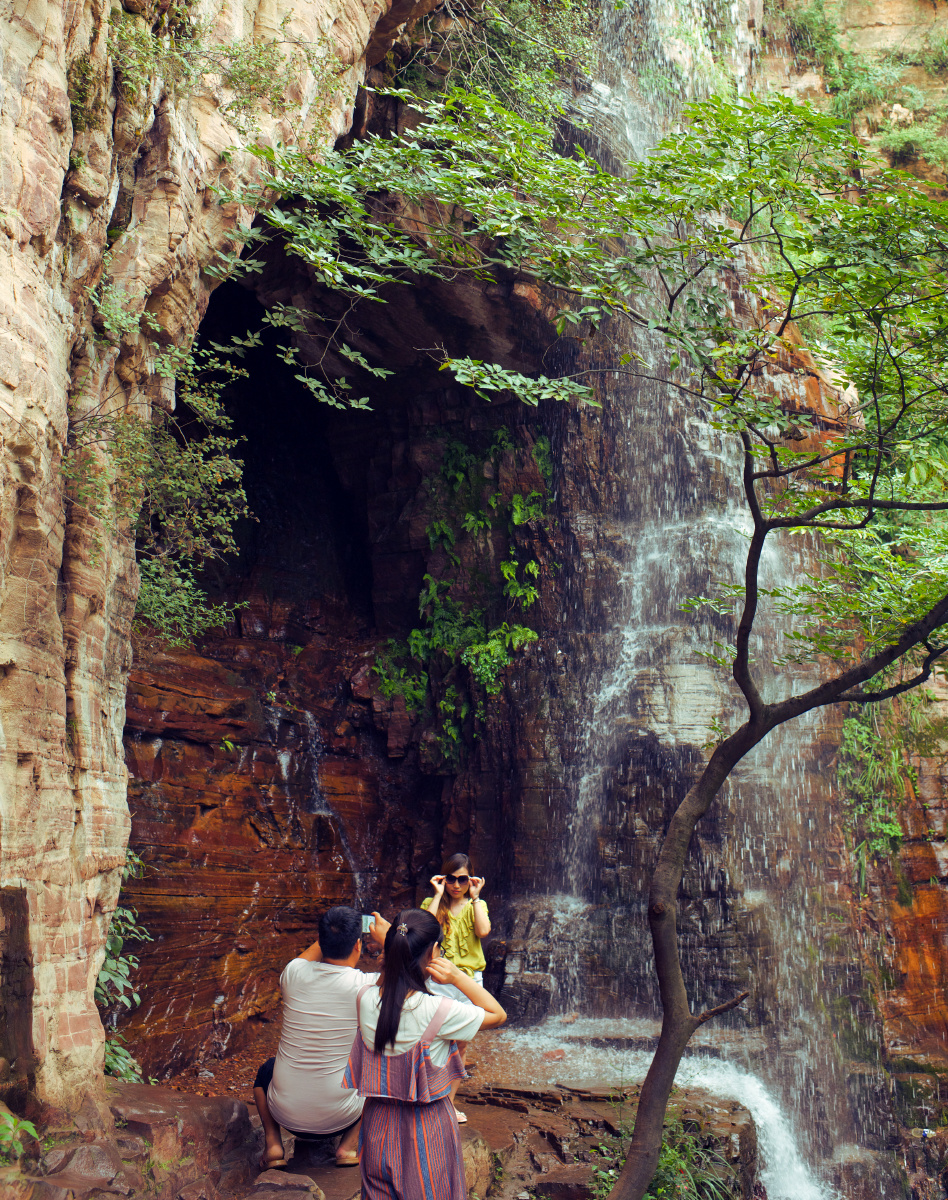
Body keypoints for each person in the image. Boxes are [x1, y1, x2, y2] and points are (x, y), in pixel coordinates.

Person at [343, 908, 506, 1200]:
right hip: (427, 1127)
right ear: (434, 952)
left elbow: (387, 983)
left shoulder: (364, 998)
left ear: (391, 950)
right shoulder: (439, 1010)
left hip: (377, 1122)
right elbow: (497, 1014)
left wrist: (389, 947)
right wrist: (457, 977)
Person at [253, 905, 389, 1169]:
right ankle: (348, 1147)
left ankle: (273, 1144)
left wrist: (332, 931)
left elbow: (310, 955)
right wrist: (388, 939)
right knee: (379, 1065)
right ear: (358, 946)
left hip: (286, 1115)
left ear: (321, 939)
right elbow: (405, 974)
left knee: (265, 1071)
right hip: (340, 1119)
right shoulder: (367, 986)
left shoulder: (293, 974)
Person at [421, 852, 490, 1123]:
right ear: (444, 878)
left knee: (460, 1043)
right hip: (438, 978)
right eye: (451, 879)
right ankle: (428, 1094)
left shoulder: (477, 905)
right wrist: (437, 894)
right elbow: (423, 929)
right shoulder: (432, 903)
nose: (456, 885)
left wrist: (475, 897)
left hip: (469, 983)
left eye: (462, 879)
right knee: (433, 1038)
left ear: (470, 879)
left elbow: (483, 931)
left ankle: (448, 1103)